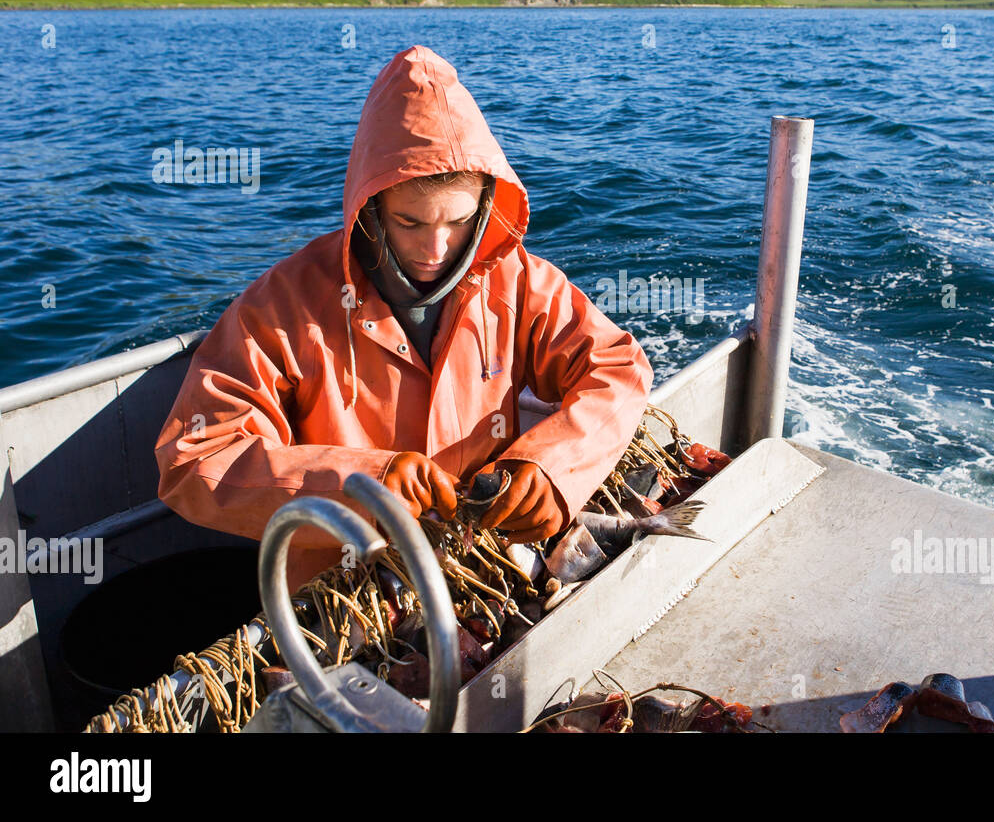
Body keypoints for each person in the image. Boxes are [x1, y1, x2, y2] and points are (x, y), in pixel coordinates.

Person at [154, 45, 654, 590]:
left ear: (487, 205)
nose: (436, 248)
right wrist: (365, 487)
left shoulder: (519, 280)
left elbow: (618, 368)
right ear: (370, 208)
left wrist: (553, 467)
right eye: (410, 222)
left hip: (485, 573)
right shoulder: (281, 307)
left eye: (459, 221)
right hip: (344, 600)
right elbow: (194, 461)